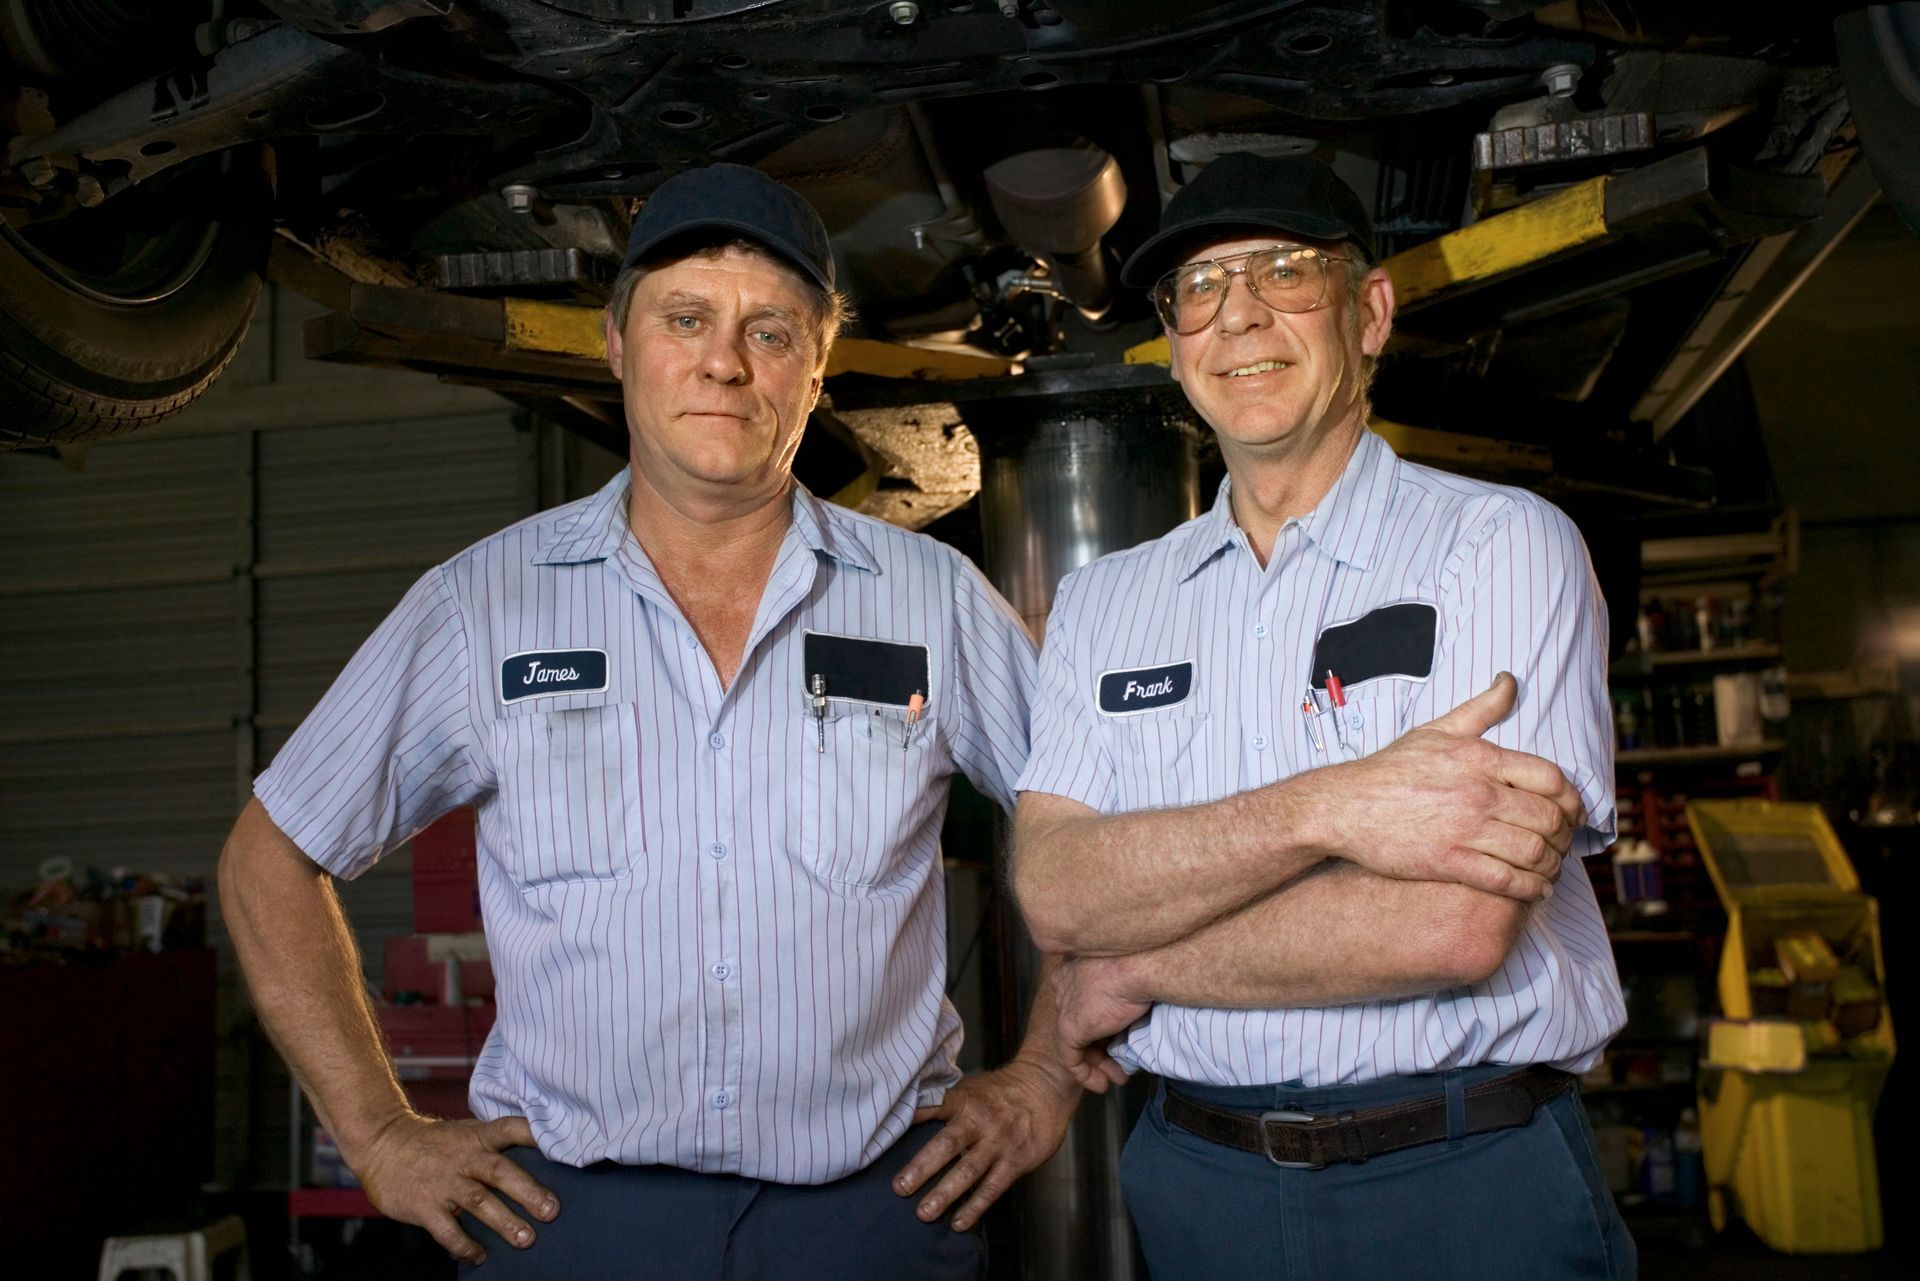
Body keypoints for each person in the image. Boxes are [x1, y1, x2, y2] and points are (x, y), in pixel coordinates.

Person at [218, 163, 1081, 1279]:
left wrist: (1048, 1074)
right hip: (571, 1222)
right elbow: (270, 856)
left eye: (770, 331)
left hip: (871, 1216)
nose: (725, 361)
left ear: (817, 368)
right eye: (687, 319)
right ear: (618, 346)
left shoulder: (936, 601)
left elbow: (1106, 836)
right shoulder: (484, 605)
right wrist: (380, 1133)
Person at [1011, 152, 1635, 1281]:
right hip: (1198, 1181)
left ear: (1371, 311)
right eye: (1199, 289)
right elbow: (1057, 893)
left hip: (1462, 1175)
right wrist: (1339, 808)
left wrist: (1134, 966)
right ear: (1174, 343)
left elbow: (1450, 928)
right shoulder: (1105, 603)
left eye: (1286, 271)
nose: (1238, 313)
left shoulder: (1498, 545)